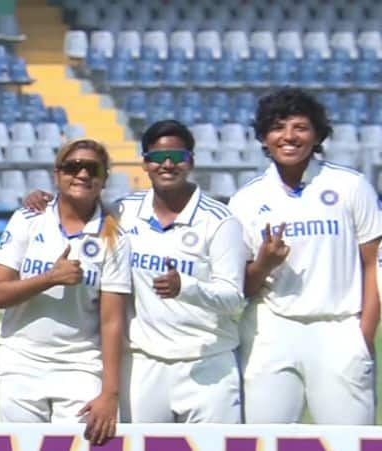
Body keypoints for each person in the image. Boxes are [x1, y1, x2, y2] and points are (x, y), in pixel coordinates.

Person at [24, 120, 247, 423]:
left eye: (177, 157)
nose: (167, 164)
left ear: (190, 161)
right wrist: (43, 199)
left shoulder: (221, 221)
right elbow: (78, 204)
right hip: (142, 365)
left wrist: (187, 287)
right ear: (144, 164)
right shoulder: (122, 212)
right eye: (156, 158)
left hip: (207, 365)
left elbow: (234, 298)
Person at [228, 88, 382, 424]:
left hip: (339, 327)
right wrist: (265, 263)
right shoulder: (246, 199)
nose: (289, 137)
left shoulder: (351, 186)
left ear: (317, 135)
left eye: (300, 127)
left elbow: (374, 265)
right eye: (278, 127)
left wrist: (363, 334)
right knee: (264, 443)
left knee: (350, 444)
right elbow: (240, 287)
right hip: (271, 331)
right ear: (264, 138)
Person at [0, 138, 132, 445]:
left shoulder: (113, 235)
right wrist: (49, 278)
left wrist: (110, 392)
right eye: (72, 166)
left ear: (104, 178)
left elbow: (112, 321)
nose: (81, 174)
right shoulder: (28, 219)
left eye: (92, 168)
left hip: (80, 367)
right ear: (57, 174)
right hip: (21, 364)